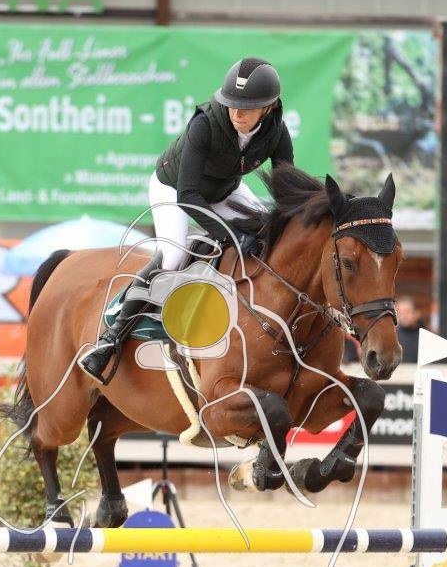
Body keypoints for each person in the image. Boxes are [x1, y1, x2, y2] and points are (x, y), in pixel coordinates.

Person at [78, 57, 295, 383]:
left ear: (269, 107)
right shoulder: (204, 124)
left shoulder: (276, 132)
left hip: (224, 190)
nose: (237, 114)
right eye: (232, 104)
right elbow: (188, 195)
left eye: (247, 108)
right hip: (174, 188)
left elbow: (286, 191)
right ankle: (111, 338)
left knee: (267, 236)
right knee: (174, 254)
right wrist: (231, 234)